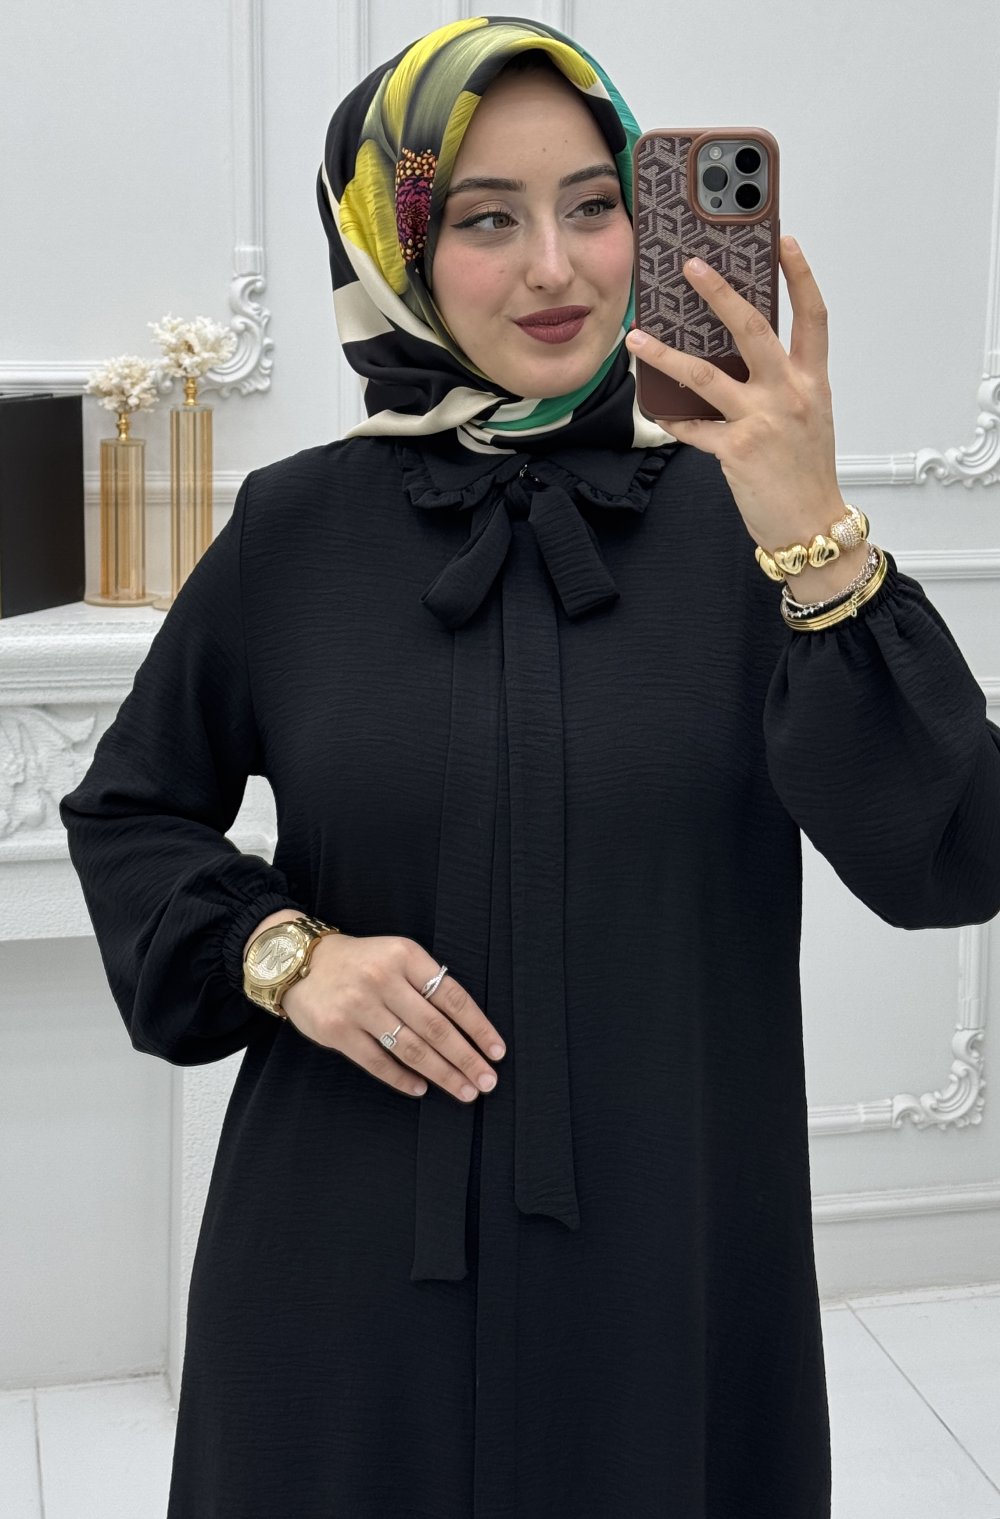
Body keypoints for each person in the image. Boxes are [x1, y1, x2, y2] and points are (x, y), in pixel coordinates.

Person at [58, 16, 1000, 1519]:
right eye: (487, 219)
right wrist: (288, 956)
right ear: (398, 248)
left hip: (667, 1265)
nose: (556, 269)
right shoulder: (296, 529)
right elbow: (129, 812)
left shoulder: (753, 527)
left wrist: (819, 540)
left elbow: (952, 853)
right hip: (345, 1268)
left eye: (594, 204)